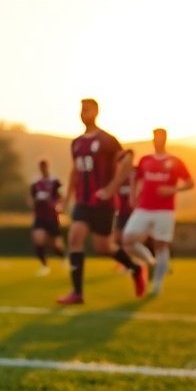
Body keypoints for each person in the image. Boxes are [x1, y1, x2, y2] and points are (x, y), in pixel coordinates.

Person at [56, 98, 147, 305]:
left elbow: (127, 161)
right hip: (83, 201)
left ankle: (135, 267)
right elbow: (75, 171)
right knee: (74, 238)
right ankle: (77, 293)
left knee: (103, 247)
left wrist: (110, 189)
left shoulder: (107, 140)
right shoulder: (76, 143)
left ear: (96, 112)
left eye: (87, 109)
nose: (83, 113)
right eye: (81, 109)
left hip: (103, 204)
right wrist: (67, 199)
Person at [121, 128, 194, 295]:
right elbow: (136, 179)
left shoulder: (175, 161)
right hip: (144, 207)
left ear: (165, 139)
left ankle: (157, 284)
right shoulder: (145, 160)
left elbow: (190, 183)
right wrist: (133, 196)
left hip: (165, 210)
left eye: (160, 138)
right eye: (155, 138)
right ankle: (149, 262)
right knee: (128, 239)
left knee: (160, 245)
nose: (157, 141)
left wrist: (172, 189)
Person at [27, 158, 65, 275]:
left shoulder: (55, 181)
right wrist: (33, 202)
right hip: (40, 216)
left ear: (47, 167)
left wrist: (59, 206)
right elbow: (30, 199)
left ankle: (63, 259)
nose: (43, 168)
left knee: (55, 244)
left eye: (44, 166)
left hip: (52, 216)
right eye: (41, 166)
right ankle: (44, 266)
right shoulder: (35, 183)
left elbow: (61, 196)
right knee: (38, 239)